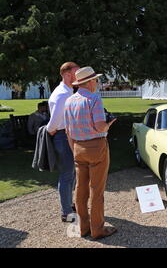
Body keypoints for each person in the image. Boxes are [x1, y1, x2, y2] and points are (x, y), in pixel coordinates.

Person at [64, 66, 117, 239]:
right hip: (96, 147)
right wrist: (110, 124)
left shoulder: (69, 101)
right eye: (96, 80)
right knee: (97, 190)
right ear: (90, 81)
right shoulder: (94, 98)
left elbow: (68, 131)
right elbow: (100, 125)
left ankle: (83, 227)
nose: (97, 83)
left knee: (80, 190)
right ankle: (97, 229)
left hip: (78, 147)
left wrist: (74, 150)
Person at [46, 62, 80, 222]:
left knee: (70, 173)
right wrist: (52, 131)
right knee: (66, 175)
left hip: (67, 135)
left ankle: (68, 204)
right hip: (62, 136)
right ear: (67, 74)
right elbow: (54, 122)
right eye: (76, 72)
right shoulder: (62, 94)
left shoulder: (67, 91)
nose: (79, 76)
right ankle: (66, 212)